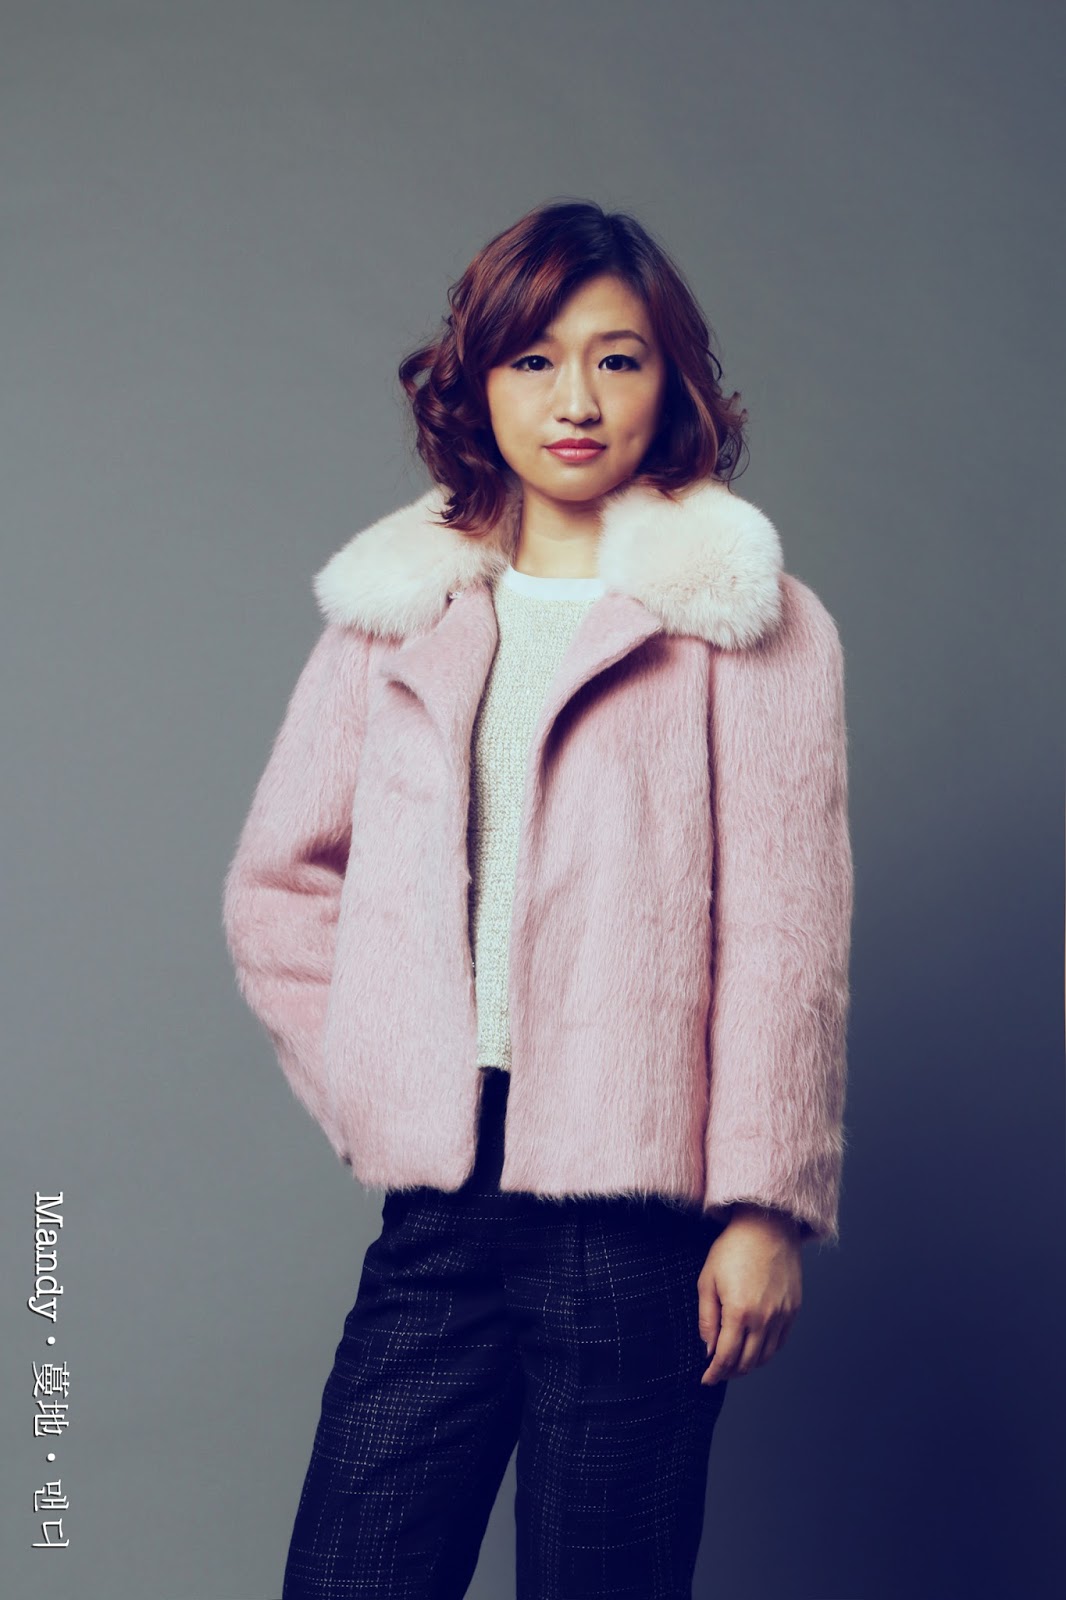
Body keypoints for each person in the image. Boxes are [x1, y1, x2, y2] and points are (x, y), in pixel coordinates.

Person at [222, 198, 854, 1600]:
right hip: (442, 1200)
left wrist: (764, 1207)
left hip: (642, 1215)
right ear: (477, 380)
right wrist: (382, 1078)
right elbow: (278, 886)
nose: (576, 400)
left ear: (671, 382)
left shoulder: (749, 623)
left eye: (617, 359)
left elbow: (784, 937)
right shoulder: (395, 613)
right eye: (533, 359)